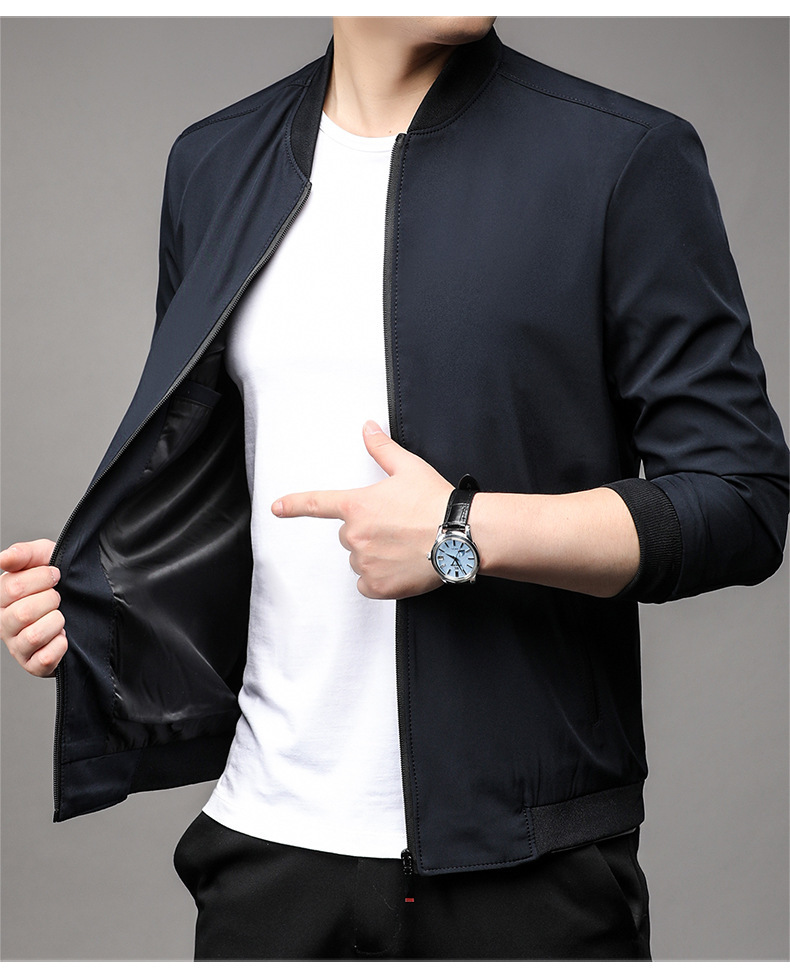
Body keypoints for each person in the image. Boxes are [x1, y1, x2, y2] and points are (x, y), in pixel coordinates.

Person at [1, 16, 787, 961]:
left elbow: (742, 501)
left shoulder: (620, 157)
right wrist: (102, 601)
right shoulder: (213, 164)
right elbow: (219, 487)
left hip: (527, 867)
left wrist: (464, 532)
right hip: (265, 856)